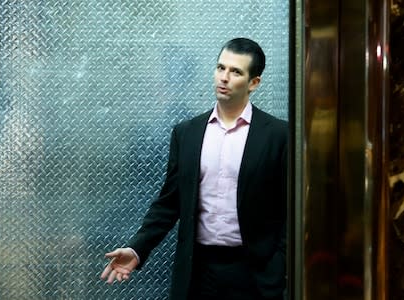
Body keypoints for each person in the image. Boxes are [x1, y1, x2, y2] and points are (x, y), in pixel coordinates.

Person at [100, 37, 288, 300]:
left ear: (253, 83)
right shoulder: (187, 133)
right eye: (221, 68)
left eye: (235, 72)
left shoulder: (279, 135)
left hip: (255, 274)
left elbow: (289, 209)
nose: (224, 77)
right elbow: (169, 203)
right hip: (198, 272)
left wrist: (279, 264)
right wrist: (137, 248)